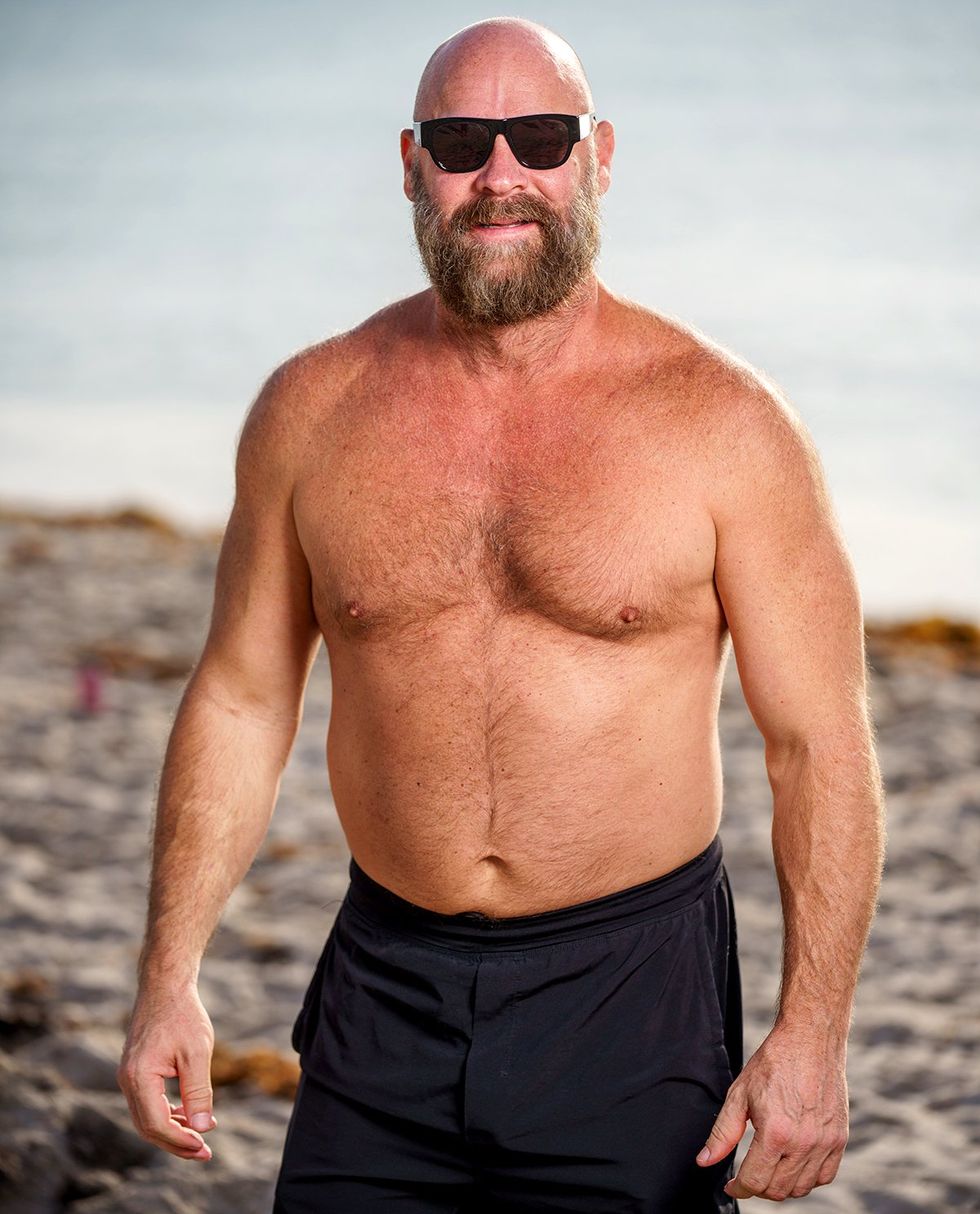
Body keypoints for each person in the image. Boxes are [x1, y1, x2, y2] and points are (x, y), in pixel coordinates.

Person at [116, 15, 886, 1212]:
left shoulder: (727, 427)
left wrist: (812, 1033)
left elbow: (819, 742)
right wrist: (168, 974)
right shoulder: (311, 409)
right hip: (385, 987)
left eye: (538, 136)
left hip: (631, 996)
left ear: (599, 155)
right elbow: (240, 694)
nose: (500, 177)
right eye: (463, 140)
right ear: (412, 162)